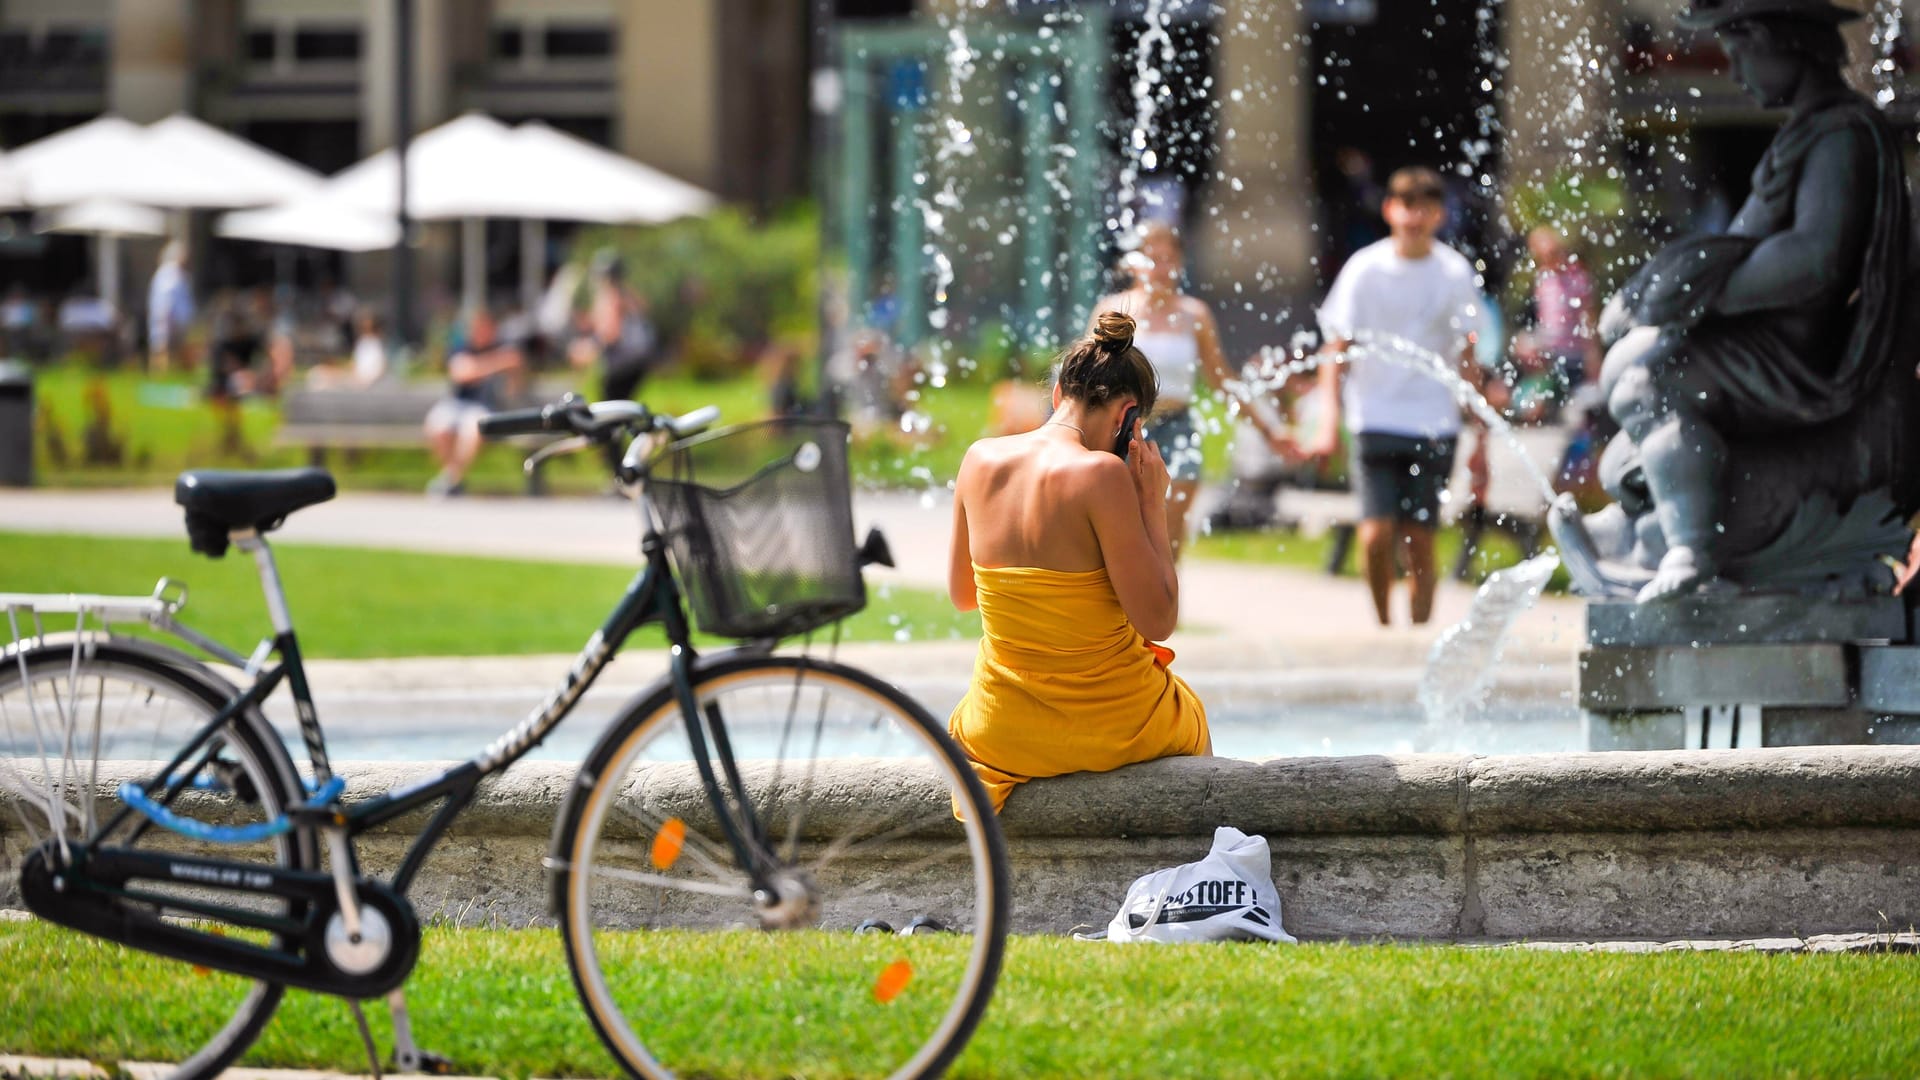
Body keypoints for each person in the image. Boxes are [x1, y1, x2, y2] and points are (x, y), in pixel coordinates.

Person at [946, 311, 1211, 813]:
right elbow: (1159, 620)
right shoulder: (1101, 475)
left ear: (1056, 395)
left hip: (999, 730)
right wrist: (1152, 506)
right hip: (1112, 725)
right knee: (1188, 710)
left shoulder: (978, 458)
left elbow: (963, 597)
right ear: (1128, 416)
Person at [1305, 166, 1487, 627]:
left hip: (1434, 422)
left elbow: (1469, 360)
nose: (1414, 218)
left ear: (1439, 215)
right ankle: (1385, 628)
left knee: (1419, 538)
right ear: (1390, 210)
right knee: (1374, 534)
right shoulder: (1365, 268)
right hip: (1373, 417)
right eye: (1406, 207)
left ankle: (1420, 631)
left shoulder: (1453, 272)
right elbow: (1335, 351)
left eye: (1424, 209)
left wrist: (1480, 440)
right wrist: (1329, 421)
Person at [1090, 223, 1294, 560]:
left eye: (1168, 259)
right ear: (1133, 263)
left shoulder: (1194, 315)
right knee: (1121, 529)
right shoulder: (1112, 310)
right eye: (1151, 258)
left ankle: (1165, 607)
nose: (1160, 267)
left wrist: (1268, 430)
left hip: (1178, 427)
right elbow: (1085, 376)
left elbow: (1222, 380)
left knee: (1170, 532)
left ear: (1181, 263)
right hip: (1124, 429)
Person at [424, 307, 524, 498]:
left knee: (475, 428)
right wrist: (497, 362)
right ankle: (453, 478)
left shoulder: (502, 345)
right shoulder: (462, 347)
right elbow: (462, 373)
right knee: (438, 426)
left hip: (484, 407)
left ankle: (450, 479)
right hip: (457, 404)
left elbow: (516, 372)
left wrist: (491, 366)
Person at [147, 241, 195, 375]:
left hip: (176, 321)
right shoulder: (169, 273)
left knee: (176, 352)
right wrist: (168, 320)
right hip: (168, 320)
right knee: (162, 350)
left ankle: (172, 375)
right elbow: (165, 300)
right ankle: (161, 376)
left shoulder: (180, 274)